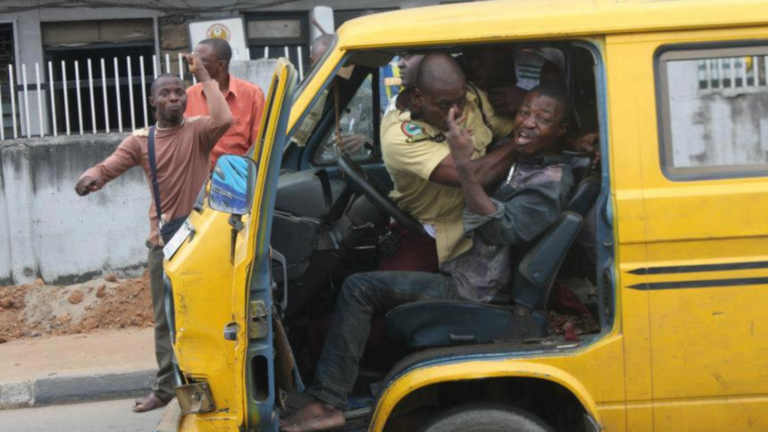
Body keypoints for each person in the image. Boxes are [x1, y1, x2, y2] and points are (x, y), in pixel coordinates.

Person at [281, 85, 576, 432]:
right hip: (468, 273)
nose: (527, 123)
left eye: (543, 119)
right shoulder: (527, 161)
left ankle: (328, 402)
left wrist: (464, 167)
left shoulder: (550, 180)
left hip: (478, 291)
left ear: (561, 129)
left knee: (359, 288)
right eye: (524, 113)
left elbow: (499, 229)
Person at [74, 54, 233, 413]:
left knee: (206, 314)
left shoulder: (200, 130)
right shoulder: (140, 141)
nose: (174, 97)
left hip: (202, 241)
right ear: (152, 101)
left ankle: (211, 383)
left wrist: (203, 74)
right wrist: (90, 178)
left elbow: (225, 119)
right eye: (165, 93)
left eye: (179, 92)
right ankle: (164, 389)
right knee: (166, 320)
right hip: (164, 243)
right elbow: (107, 167)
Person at [381, 52, 518, 266]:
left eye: (460, 101)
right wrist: (522, 144)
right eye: (444, 105)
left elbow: (511, 128)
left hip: (481, 227)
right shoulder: (400, 135)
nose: (456, 112)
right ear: (417, 98)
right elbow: (474, 176)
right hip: (430, 234)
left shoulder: (472, 100)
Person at [185, 38, 265, 170]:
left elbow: (259, 144)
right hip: (200, 174)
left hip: (238, 174)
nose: (194, 65)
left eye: (201, 61)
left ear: (220, 65)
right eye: (194, 58)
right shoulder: (189, 95)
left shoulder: (252, 94)